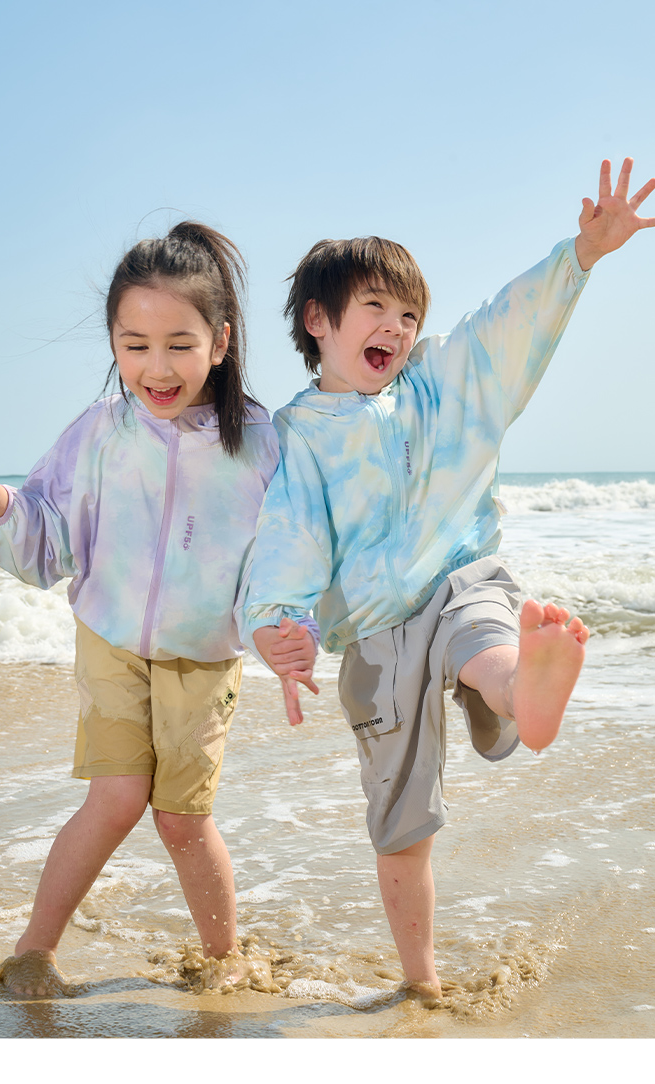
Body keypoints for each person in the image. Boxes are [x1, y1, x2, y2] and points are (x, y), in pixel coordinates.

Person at [241, 159, 655, 998]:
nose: (396, 327)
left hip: (464, 575)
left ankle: (524, 691)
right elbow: (289, 535)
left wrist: (579, 256)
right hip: (374, 629)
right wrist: (282, 625)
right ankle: (421, 981)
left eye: (409, 315)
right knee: (403, 825)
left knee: (486, 637)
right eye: (376, 308)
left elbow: (505, 327)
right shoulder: (301, 437)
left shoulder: (436, 386)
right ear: (318, 320)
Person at [0, 221, 316, 998]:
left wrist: (287, 629)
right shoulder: (100, 432)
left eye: (179, 344)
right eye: (134, 345)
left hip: (203, 657)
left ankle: (222, 961)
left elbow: (290, 556)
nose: (156, 367)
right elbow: (47, 537)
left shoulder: (260, 444)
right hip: (109, 640)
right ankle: (33, 952)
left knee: (181, 821)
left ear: (221, 341)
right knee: (113, 800)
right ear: (113, 341)